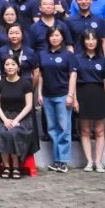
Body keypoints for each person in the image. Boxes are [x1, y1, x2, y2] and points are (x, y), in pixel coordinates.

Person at [0, 55, 37, 179]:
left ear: (18, 66)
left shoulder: (26, 83)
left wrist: (16, 120)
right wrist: (5, 120)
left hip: (22, 117)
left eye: (13, 64)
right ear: (4, 67)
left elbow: (29, 105)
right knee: (1, 131)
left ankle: (16, 166)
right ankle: (6, 165)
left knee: (13, 132)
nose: (10, 67)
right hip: (3, 116)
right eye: (7, 64)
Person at [72, 30, 105, 172]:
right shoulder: (77, 58)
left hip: (99, 94)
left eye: (93, 39)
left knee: (100, 130)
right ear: (83, 41)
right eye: (87, 39)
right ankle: (89, 161)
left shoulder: (103, 60)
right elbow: (73, 79)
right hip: (82, 93)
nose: (91, 42)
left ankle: (98, 161)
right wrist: (74, 99)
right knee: (85, 130)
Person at [38, 26, 76, 172]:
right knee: (52, 129)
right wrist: (40, 93)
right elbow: (41, 75)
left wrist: (71, 95)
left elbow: (73, 75)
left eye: (57, 35)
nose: (54, 38)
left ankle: (63, 161)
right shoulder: (43, 54)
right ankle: (56, 160)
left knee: (64, 128)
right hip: (47, 96)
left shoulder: (68, 55)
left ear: (62, 37)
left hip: (63, 95)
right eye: (52, 35)